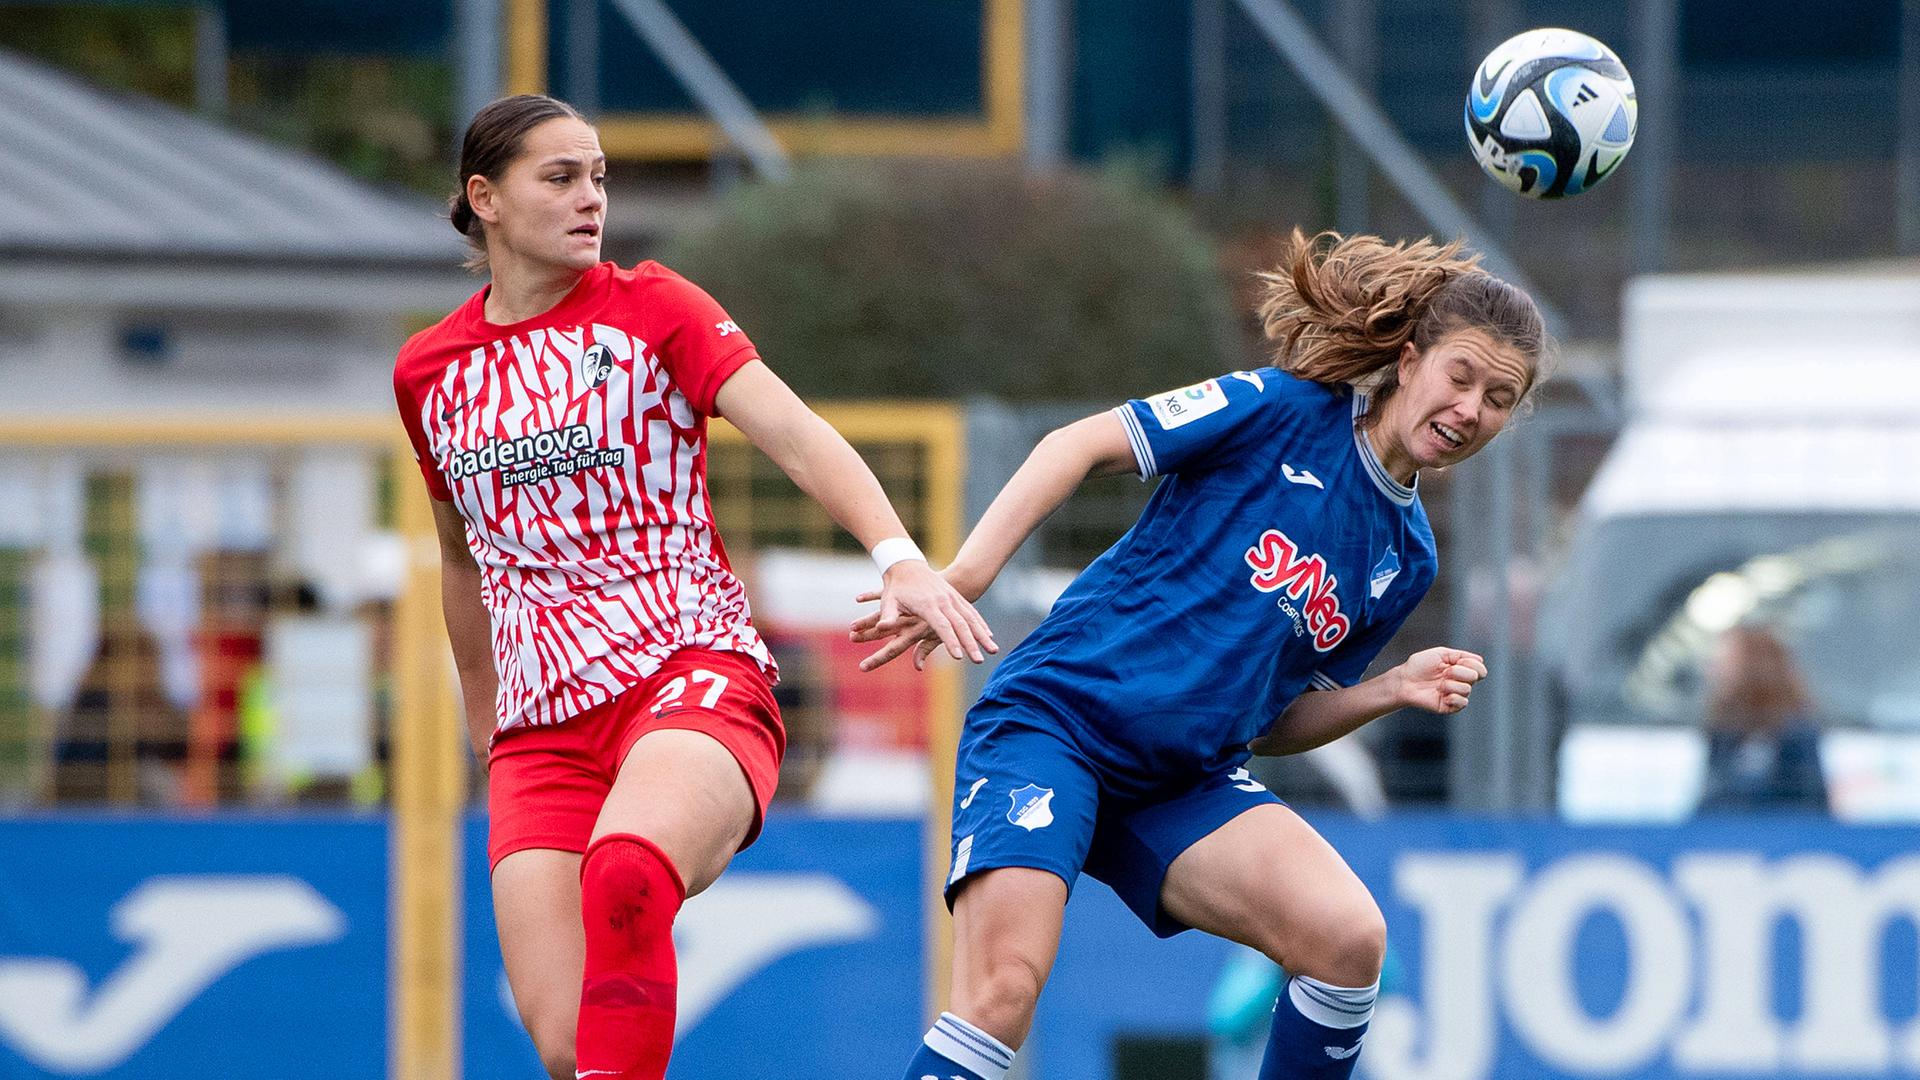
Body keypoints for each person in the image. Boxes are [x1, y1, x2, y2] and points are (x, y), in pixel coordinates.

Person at [392, 94, 994, 1080]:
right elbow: (463, 559)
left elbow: (796, 436)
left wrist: (899, 557)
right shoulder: (428, 373)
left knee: (628, 870)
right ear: (483, 198)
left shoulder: (654, 306)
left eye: (599, 177)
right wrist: (485, 726)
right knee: (567, 1044)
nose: (591, 198)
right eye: (560, 177)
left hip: (690, 674)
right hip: (541, 732)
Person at [858, 230, 1536, 1080]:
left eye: (1500, 397)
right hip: (1057, 726)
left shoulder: (1409, 558)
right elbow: (1076, 443)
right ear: (1407, 362)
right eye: (1461, 376)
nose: (1473, 408)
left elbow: (1275, 720)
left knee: (1347, 941)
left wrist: (1390, 689)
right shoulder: (1281, 407)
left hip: (1181, 779)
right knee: (1003, 993)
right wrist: (966, 573)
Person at [1696, 623, 1828, 814]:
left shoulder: (1795, 733)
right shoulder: (1722, 733)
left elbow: (1809, 804)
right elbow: (1710, 800)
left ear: (1753, 666)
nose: (1713, 670)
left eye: (1726, 661)